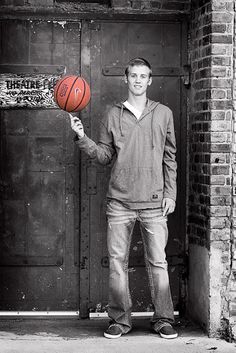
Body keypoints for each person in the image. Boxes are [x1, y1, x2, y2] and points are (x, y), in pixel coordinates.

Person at [70, 58, 178, 339]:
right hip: (119, 202)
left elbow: (170, 158)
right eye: (134, 76)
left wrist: (171, 194)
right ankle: (120, 320)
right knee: (118, 263)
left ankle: (164, 319)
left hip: (155, 202)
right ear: (126, 79)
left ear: (150, 80)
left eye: (144, 76)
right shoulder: (112, 114)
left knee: (158, 263)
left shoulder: (164, 113)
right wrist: (83, 138)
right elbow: (105, 157)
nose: (139, 80)